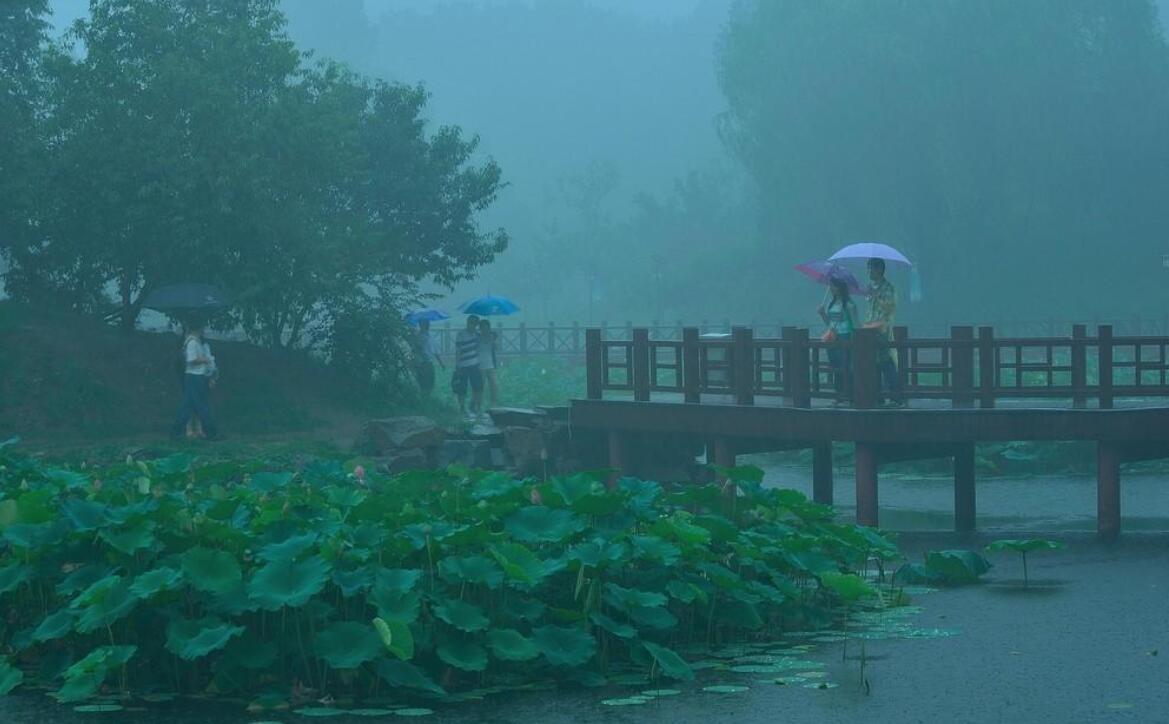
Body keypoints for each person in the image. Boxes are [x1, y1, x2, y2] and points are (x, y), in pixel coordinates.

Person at [865, 258, 905, 408]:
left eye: (871, 269)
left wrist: (875, 296)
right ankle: (877, 397)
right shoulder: (870, 287)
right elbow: (870, 310)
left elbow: (889, 308)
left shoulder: (888, 288)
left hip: (882, 330)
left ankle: (896, 397)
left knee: (886, 362)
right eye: (868, 268)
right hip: (869, 330)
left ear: (880, 270)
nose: (869, 272)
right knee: (873, 363)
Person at [170, 323, 219, 439]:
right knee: (201, 405)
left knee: (188, 406)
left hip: (198, 376)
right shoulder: (192, 343)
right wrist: (205, 360)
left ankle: (175, 432)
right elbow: (191, 359)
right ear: (198, 328)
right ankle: (211, 432)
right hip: (194, 376)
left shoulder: (198, 342)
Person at [818, 276, 859, 406]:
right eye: (830, 286)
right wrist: (823, 314)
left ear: (840, 287)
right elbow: (829, 324)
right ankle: (839, 395)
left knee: (846, 366)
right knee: (836, 366)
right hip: (832, 338)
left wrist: (854, 338)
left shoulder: (849, 305)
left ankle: (850, 395)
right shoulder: (831, 304)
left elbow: (855, 324)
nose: (831, 288)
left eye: (833, 286)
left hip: (845, 337)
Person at [451, 315, 484, 420]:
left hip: (475, 364)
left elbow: (481, 347)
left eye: (474, 323)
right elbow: (458, 350)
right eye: (470, 323)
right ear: (468, 323)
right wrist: (457, 365)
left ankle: (476, 407)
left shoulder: (477, 335)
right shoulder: (461, 334)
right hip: (463, 365)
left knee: (478, 387)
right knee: (462, 388)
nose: (472, 325)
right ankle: (462, 407)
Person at [411, 319, 444, 394]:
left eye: (423, 324)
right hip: (421, 363)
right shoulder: (417, 337)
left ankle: (427, 398)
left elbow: (435, 351)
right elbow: (415, 349)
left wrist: (441, 363)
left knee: (430, 382)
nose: (422, 326)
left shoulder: (429, 336)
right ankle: (423, 398)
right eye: (421, 324)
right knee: (422, 382)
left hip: (428, 362)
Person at [477, 318, 500, 409]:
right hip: (480, 366)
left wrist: (493, 340)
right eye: (483, 328)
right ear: (480, 329)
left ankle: (494, 404)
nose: (485, 330)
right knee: (480, 387)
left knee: (494, 385)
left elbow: (496, 348)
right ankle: (479, 405)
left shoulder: (492, 337)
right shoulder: (477, 337)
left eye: (487, 328)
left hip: (490, 365)